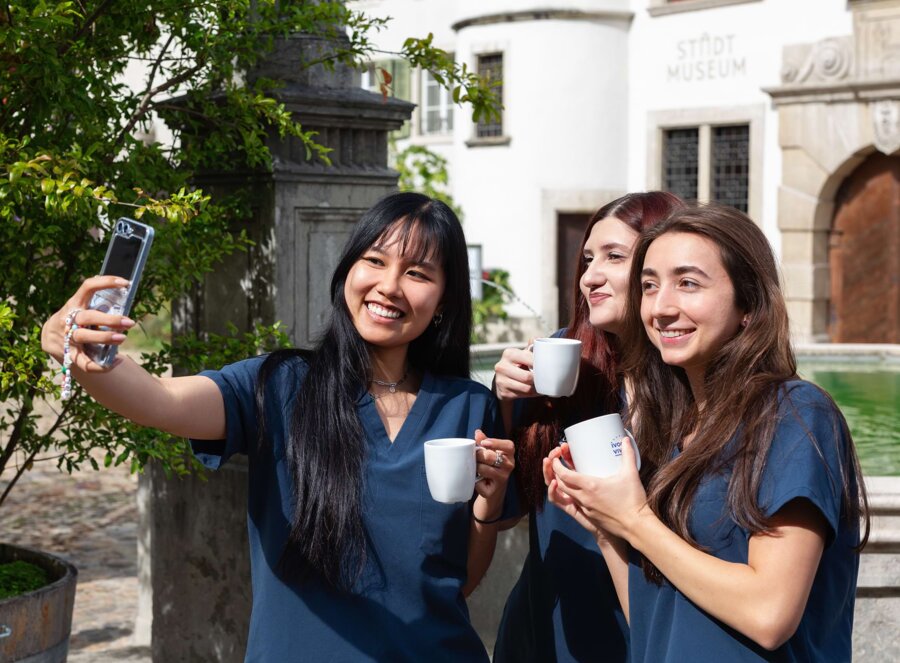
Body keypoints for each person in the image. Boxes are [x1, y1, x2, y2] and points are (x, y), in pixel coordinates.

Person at [41, 192, 516, 662]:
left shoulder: (469, 408)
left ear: (444, 300)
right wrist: (72, 346)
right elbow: (157, 401)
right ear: (348, 272)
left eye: (417, 273)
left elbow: (456, 583)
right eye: (375, 260)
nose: (389, 286)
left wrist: (487, 507)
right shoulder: (281, 385)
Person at [546, 203, 869, 662]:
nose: (661, 308)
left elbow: (770, 613)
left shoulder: (793, 414)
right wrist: (607, 528)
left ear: (748, 305)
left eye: (688, 283)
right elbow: (654, 621)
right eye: (649, 286)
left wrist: (635, 519)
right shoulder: (674, 431)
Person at [491, 192, 684, 662]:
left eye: (614, 256)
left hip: (642, 638)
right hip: (544, 635)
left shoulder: (698, 387)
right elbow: (506, 511)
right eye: (588, 259)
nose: (589, 276)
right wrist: (503, 403)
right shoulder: (565, 362)